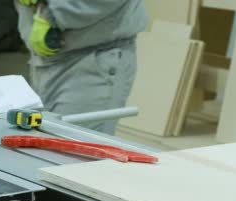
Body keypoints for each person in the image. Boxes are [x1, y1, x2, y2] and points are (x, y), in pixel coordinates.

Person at [15, 0, 147, 135]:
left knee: (75, 144)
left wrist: (51, 14)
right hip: (45, 60)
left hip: (93, 58)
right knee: (40, 138)